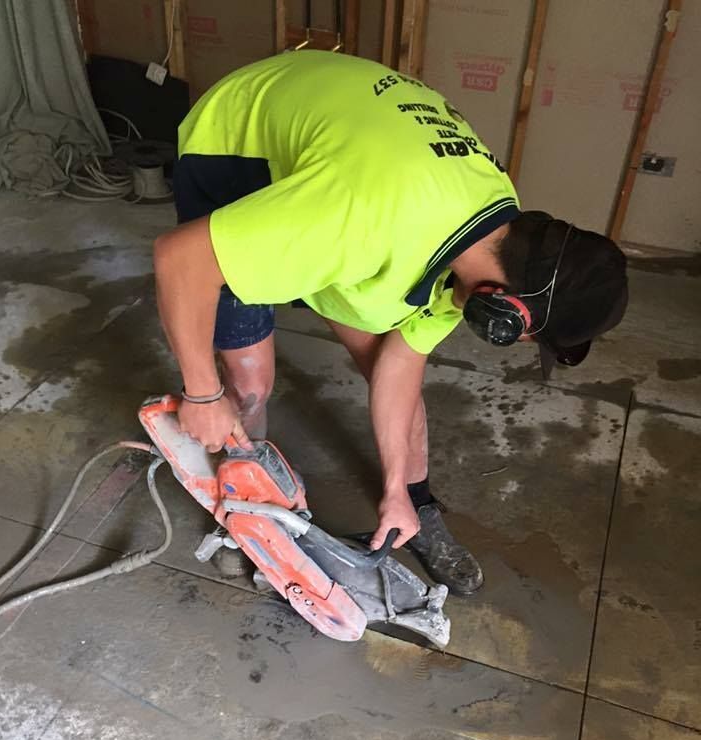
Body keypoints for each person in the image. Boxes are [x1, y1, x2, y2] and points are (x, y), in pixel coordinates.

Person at [154, 50, 628, 596]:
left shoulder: (496, 231)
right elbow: (177, 259)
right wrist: (203, 393)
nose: (519, 344)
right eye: (525, 335)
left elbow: (402, 364)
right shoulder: (361, 216)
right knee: (248, 386)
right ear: (503, 307)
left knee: (391, 365)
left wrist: (396, 488)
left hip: (340, 157)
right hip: (240, 146)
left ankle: (415, 508)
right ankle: (248, 515)